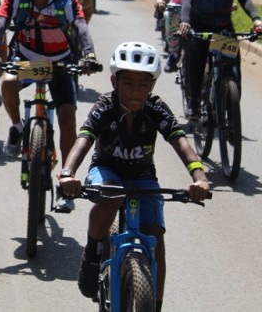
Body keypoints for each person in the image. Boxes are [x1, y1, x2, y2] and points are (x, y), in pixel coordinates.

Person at [58, 42, 210, 311]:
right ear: (114, 81)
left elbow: (181, 142)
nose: (135, 92)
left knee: (156, 239)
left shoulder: (156, 108)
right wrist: (68, 174)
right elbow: (83, 141)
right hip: (106, 170)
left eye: (143, 85)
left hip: (143, 175)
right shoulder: (105, 105)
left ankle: (155, 305)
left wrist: (199, 177)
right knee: (112, 192)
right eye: (128, 83)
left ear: (151, 86)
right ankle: (93, 254)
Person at [0, 0, 98, 212]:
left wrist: (89, 55)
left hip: (59, 61)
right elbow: (0, 24)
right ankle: (16, 127)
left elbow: (81, 26)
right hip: (26, 56)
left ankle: (65, 183)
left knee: (68, 118)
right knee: (7, 82)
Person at [178, 0, 262, 119]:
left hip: (223, 30)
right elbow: (186, 2)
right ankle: (193, 102)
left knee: (233, 69)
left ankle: (232, 114)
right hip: (200, 29)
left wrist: (256, 20)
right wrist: (185, 22)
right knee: (197, 58)